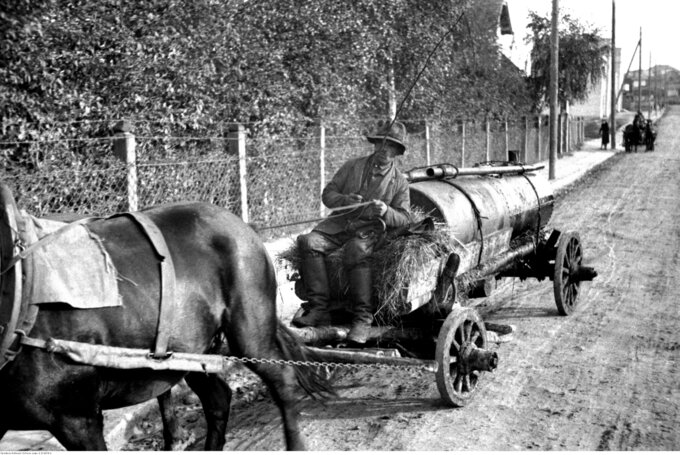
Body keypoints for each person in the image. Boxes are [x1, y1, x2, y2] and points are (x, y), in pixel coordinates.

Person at [292, 120, 412, 344]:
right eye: (381, 144)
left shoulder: (399, 183)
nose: (384, 150)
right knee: (309, 242)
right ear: (375, 145)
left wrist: (386, 211)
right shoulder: (352, 167)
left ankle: (362, 318)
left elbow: (405, 218)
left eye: (391, 147)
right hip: (339, 226)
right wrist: (344, 200)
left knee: (356, 250)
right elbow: (328, 194)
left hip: (370, 232)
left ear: (396, 152)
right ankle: (319, 308)